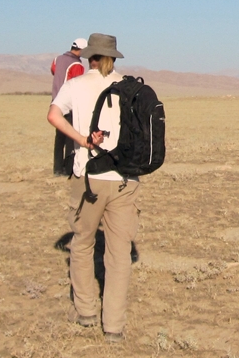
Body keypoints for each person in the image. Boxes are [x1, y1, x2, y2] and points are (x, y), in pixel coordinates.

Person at [46, 33, 138, 343]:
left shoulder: (76, 85)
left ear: (90, 57)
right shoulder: (130, 87)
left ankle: (86, 312)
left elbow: (53, 115)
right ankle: (113, 326)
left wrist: (82, 139)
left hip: (87, 178)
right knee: (119, 254)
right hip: (125, 180)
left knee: (82, 243)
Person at [50, 38, 88, 176]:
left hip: (55, 102)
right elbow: (76, 84)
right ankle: (68, 169)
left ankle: (57, 169)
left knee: (59, 138)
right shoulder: (77, 65)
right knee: (70, 138)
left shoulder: (57, 59)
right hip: (69, 105)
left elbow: (54, 71)